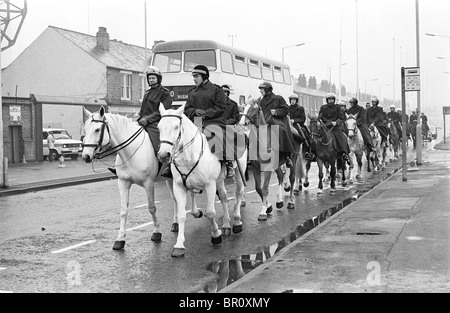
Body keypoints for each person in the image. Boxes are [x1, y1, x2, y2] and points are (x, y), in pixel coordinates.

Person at [161, 64, 228, 179]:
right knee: (181, 137)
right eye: (194, 77)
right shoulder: (192, 92)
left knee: (218, 135)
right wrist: (195, 111)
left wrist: (206, 113)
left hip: (214, 120)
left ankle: (227, 163)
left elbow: (220, 107)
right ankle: (172, 165)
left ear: (204, 76)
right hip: (196, 120)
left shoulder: (217, 90)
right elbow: (187, 108)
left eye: (196, 76)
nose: (194, 79)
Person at [136, 66, 173, 178]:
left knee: (159, 147)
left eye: (153, 78)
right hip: (143, 121)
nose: (151, 80)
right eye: (150, 78)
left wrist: (148, 119)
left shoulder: (165, 93)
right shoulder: (147, 93)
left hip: (155, 122)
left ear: (158, 79)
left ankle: (169, 166)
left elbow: (161, 111)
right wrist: (139, 119)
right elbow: (143, 110)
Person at [258, 81, 295, 168]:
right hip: (266, 121)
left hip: (278, 120)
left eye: (262, 89)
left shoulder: (278, 98)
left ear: (267, 90)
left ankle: (287, 156)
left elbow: (286, 110)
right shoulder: (261, 101)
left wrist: (276, 112)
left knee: (282, 130)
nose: (260, 91)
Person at [317, 93, 350, 161]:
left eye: (332, 99)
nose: (331, 101)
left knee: (341, 137)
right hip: (325, 126)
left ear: (334, 100)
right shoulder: (323, 107)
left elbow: (341, 118)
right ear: (327, 100)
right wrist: (320, 121)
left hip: (335, 127)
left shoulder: (337, 107)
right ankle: (313, 152)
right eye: (329, 99)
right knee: (315, 136)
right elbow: (320, 117)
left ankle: (343, 153)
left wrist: (336, 122)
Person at [288, 93, 314, 160]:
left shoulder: (300, 108)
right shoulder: (287, 108)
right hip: (289, 125)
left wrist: (294, 121)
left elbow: (302, 119)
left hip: (298, 125)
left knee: (306, 136)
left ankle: (307, 152)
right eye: (291, 100)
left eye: (294, 100)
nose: (292, 101)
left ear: (296, 101)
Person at [222, 84, 240, 178]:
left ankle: (229, 164)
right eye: (222, 92)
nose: (224, 94)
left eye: (225, 92)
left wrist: (227, 122)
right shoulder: (216, 104)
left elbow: (236, 117)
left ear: (228, 93)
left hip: (229, 127)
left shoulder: (233, 104)